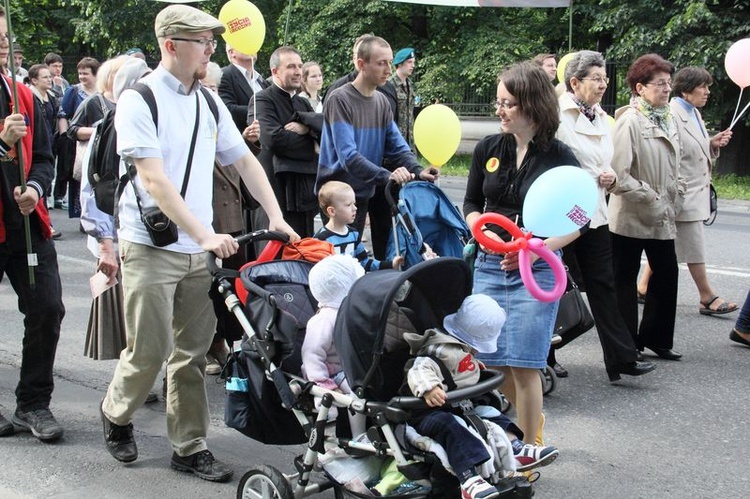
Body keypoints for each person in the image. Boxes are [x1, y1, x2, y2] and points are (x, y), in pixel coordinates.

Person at [98, 4, 298, 482]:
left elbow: (246, 163)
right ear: (172, 45)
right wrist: (204, 232)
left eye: (213, 40)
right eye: (203, 41)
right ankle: (116, 411)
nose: (212, 49)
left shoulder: (207, 101)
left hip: (199, 250)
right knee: (149, 350)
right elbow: (155, 180)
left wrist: (277, 216)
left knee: (191, 353)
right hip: (151, 244)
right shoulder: (138, 100)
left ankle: (189, 445)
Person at [463, 62, 582, 444]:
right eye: (498, 102)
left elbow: (579, 220)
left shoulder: (560, 156)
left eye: (508, 103)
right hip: (490, 263)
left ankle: (531, 445)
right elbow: (471, 203)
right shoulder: (487, 148)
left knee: (525, 363)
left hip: (538, 268)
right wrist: (478, 227)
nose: (499, 110)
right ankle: (535, 422)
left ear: (531, 105)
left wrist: (537, 251)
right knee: (492, 357)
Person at [554, 50, 656, 382]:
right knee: (555, 285)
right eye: (596, 78)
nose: (602, 85)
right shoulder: (557, 116)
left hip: (595, 213)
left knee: (604, 284)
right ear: (574, 82)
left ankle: (621, 358)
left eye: (604, 78)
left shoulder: (600, 115)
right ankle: (543, 355)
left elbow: (603, 159)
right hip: (563, 214)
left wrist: (609, 174)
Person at [404, 294, 558, 499]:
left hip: (459, 404)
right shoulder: (438, 348)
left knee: (492, 413)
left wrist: (474, 369)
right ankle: (468, 477)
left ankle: (516, 447)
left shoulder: (459, 348)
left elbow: (457, 370)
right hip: (427, 412)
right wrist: (430, 388)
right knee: (452, 427)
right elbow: (419, 368)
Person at [0, 6, 65, 441]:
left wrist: (36, 191)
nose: (3, 42)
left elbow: (43, 157)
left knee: (47, 307)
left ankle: (33, 403)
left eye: (4, 35)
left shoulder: (21, 94)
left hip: (26, 221)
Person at [316, 35, 437, 243]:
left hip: (361, 195)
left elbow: (398, 147)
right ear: (361, 64)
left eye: (390, 63)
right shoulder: (339, 99)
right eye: (381, 63)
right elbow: (349, 157)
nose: (388, 70)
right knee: (342, 264)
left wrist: (418, 170)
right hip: (336, 198)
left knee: (361, 260)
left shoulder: (381, 101)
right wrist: (388, 175)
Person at [636, 67, 736, 317]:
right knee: (693, 244)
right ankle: (706, 296)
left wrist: (711, 143)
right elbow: (672, 152)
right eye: (703, 86)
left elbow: (693, 147)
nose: (707, 92)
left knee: (667, 243)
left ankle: (642, 286)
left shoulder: (693, 113)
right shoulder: (673, 112)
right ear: (687, 89)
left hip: (694, 190)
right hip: (684, 191)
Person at [609, 54, 682, 361]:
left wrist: (678, 188)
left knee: (667, 274)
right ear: (640, 88)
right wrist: (648, 195)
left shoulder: (668, 116)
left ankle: (657, 338)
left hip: (662, 212)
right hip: (631, 213)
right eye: (660, 84)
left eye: (669, 83)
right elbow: (616, 176)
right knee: (624, 280)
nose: (667, 89)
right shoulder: (629, 122)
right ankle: (628, 345)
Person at [201, 61, 256, 374]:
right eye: (205, 88)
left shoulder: (223, 122)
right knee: (209, 287)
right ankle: (212, 344)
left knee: (233, 286)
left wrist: (253, 140)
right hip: (205, 223)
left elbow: (242, 163)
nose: (211, 94)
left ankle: (230, 343)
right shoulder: (190, 122)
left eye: (214, 89)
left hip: (233, 218)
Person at [253, 46, 320, 237]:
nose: (298, 71)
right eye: (291, 66)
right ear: (275, 71)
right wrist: (312, 144)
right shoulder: (262, 100)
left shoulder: (302, 103)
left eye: (299, 66)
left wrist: (306, 128)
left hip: (303, 192)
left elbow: (322, 131)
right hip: (276, 190)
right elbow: (274, 139)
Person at [302, 254, 363, 410]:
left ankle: (405, 429)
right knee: (359, 395)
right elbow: (311, 353)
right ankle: (358, 433)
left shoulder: (351, 308)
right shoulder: (324, 319)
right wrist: (322, 382)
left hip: (353, 366)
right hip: (333, 371)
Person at [315, 180, 402, 271]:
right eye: (348, 205)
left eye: (354, 203)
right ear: (332, 211)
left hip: (354, 283)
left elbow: (364, 263)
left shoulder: (353, 234)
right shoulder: (321, 239)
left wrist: (390, 264)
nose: (355, 208)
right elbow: (318, 272)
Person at [57, 56, 100, 217]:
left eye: (85, 73)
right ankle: (81, 213)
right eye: (80, 73)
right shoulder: (73, 91)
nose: (81, 77)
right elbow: (63, 114)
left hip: (99, 143)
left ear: (95, 74)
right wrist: (64, 137)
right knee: (79, 177)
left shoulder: (103, 91)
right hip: (77, 141)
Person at [390, 47, 416, 151]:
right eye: (409, 62)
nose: (413, 65)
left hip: (409, 143)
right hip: (395, 142)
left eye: (413, 62)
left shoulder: (410, 84)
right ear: (400, 63)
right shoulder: (389, 85)